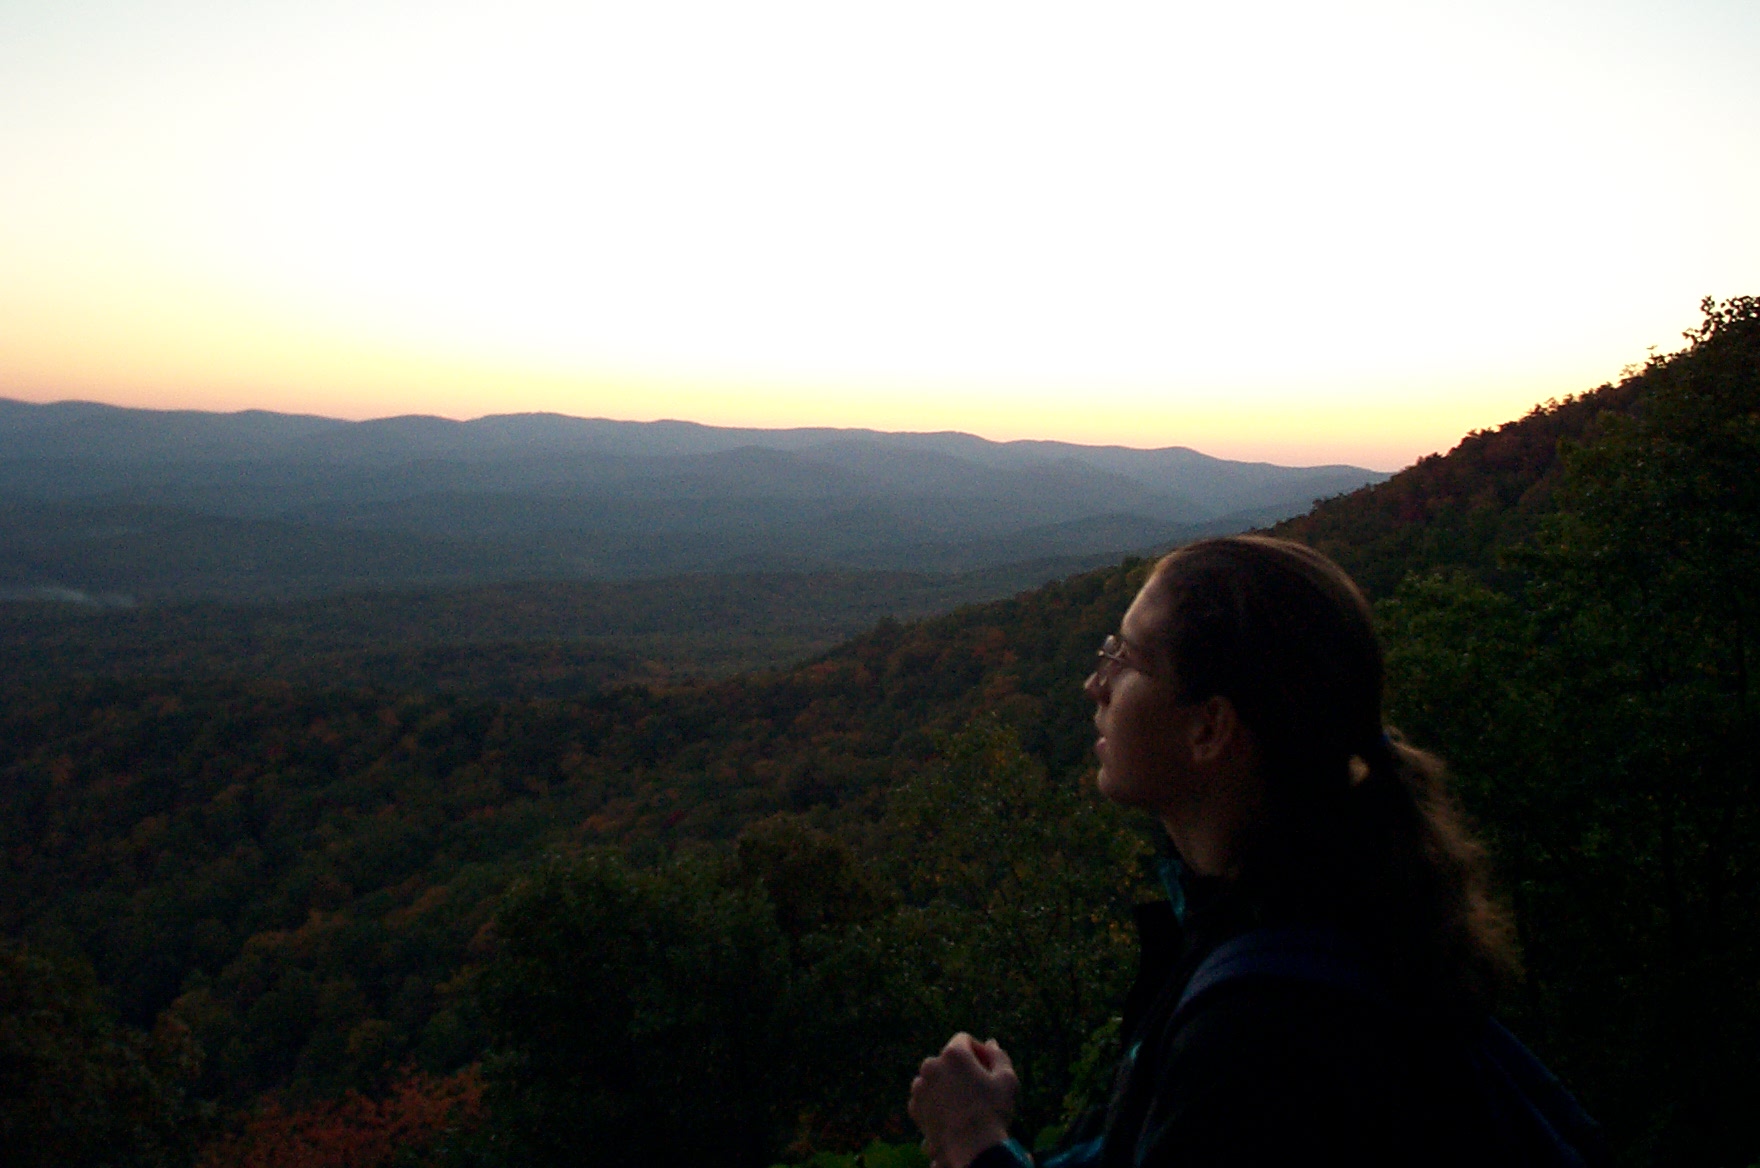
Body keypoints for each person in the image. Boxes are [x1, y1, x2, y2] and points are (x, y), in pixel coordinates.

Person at [907, 535, 1570, 1168]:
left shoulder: (1265, 1038)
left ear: (1209, 727)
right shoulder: (1334, 923)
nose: (1094, 686)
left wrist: (974, 1142)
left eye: (1125, 660)